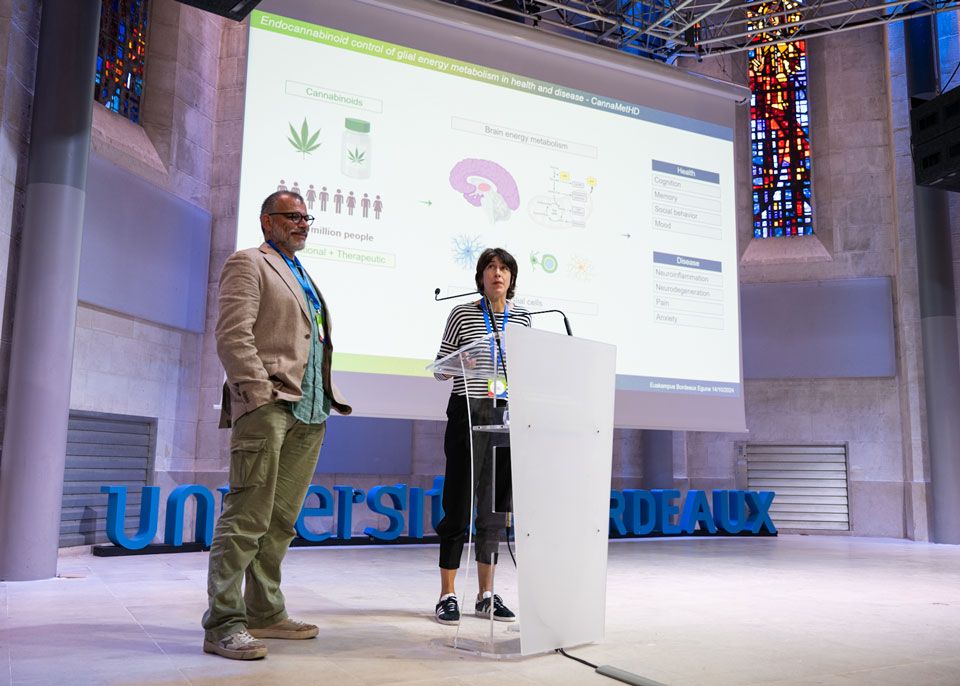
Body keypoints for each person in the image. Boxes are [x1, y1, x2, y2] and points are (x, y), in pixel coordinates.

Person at [202, 191, 351, 660]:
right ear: (268, 221)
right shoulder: (249, 263)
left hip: (310, 411)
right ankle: (223, 623)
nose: (303, 223)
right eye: (293, 216)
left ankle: (265, 611)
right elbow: (233, 334)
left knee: (281, 522)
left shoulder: (302, 274)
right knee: (247, 516)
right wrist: (258, 392)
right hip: (269, 408)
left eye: (307, 217)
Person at [432, 248, 531, 625]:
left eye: (504, 268)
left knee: (494, 511)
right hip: (467, 411)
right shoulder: (462, 314)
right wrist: (460, 362)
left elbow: (529, 366)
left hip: (505, 416)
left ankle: (486, 594)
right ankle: (447, 594)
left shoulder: (522, 318)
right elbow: (441, 367)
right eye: (491, 267)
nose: (497, 274)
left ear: (512, 278)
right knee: (457, 506)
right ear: (481, 277)